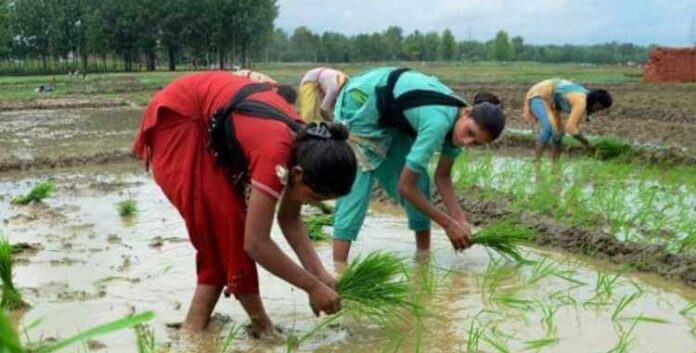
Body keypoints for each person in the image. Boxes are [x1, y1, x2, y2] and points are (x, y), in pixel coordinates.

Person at [133, 72, 357, 335]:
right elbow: (256, 244)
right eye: (315, 197)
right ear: (296, 173)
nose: (312, 203)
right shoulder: (275, 150)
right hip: (181, 120)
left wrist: (320, 275)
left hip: (207, 120)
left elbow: (289, 219)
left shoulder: (306, 144)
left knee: (223, 233)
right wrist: (311, 287)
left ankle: (193, 330)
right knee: (231, 226)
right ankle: (262, 328)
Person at [331, 67, 506, 266]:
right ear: (466, 113)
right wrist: (448, 224)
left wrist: (460, 220)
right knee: (358, 187)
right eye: (470, 133)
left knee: (420, 181)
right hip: (360, 100)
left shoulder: (458, 124)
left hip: (391, 112)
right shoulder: (438, 122)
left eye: (476, 143)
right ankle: (338, 271)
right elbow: (405, 187)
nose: (467, 142)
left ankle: (423, 259)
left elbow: (443, 177)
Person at [522, 78, 613, 159]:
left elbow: (574, 126)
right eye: (598, 108)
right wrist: (586, 143)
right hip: (540, 94)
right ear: (595, 102)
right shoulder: (581, 101)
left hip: (552, 101)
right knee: (548, 128)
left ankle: (555, 165)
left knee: (559, 133)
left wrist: (584, 142)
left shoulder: (583, 99)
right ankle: (536, 161)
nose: (597, 111)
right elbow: (571, 128)